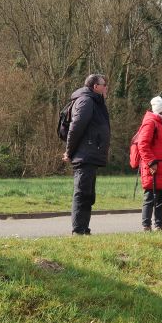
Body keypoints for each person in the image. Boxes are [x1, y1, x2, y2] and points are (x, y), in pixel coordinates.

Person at [63, 73, 111, 235]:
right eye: (104, 85)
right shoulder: (86, 101)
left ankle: (84, 228)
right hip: (84, 155)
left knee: (88, 195)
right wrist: (69, 151)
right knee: (82, 193)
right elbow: (75, 127)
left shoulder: (94, 101)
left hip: (90, 153)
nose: (106, 88)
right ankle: (78, 230)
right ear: (95, 87)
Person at [137, 96, 162, 231]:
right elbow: (142, 144)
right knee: (150, 198)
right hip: (154, 167)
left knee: (161, 200)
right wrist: (151, 161)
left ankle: (159, 225)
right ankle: (146, 226)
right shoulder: (151, 123)